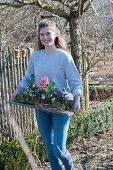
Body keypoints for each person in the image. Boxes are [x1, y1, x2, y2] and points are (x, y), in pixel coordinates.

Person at [12, 20, 82, 170]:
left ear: (55, 35)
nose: (45, 37)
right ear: (39, 37)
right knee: (49, 147)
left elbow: (75, 81)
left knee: (58, 147)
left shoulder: (64, 57)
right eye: (42, 35)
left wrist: (77, 99)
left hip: (61, 107)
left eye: (48, 34)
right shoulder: (35, 57)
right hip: (41, 107)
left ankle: (69, 166)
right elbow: (28, 77)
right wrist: (19, 89)